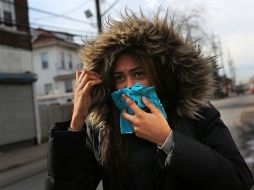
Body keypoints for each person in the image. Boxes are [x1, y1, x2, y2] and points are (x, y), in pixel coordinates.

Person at [45, 11, 253, 190]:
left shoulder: (196, 112)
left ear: (158, 75)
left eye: (138, 74)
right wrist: (76, 122)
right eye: (119, 78)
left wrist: (169, 141)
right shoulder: (103, 126)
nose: (128, 86)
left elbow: (238, 180)